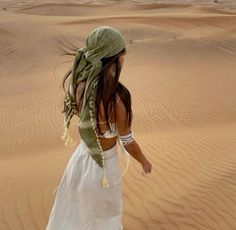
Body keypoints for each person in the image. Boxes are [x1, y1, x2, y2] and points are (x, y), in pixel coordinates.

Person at [46, 26, 152, 230]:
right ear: (115, 58)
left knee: (74, 217)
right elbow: (128, 142)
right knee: (105, 221)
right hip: (104, 169)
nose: (124, 58)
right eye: (123, 53)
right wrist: (145, 162)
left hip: (80, 162)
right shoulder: (116, 101)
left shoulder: (79, 86)